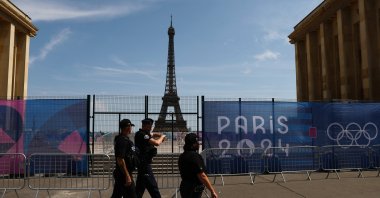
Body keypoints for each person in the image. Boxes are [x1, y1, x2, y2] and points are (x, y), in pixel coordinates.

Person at [178, 133, 218, 198]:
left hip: (184, 186)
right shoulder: (195, 156)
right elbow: (202, 175)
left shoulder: (182, 156)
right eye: (197, 142)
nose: (198, 144)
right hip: (193, 189)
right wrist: (212, 191)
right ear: (193, 144)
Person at [134, 118, 166, 198]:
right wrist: (162, 137)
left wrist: (158, 135)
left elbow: (152, 134)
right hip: (144, 165)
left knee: (139, 189)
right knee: (153, 188)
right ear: (147, 126)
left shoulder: (143, 134)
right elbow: (156, 143)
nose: (151, 127)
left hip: (143, 165)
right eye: (151, 126)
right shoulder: (142, 135)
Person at [111, 119, 138, 198]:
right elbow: (120, 159)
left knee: (117, 195)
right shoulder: (122, 140)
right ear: (127, 127)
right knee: (132, 195)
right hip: (123, 175)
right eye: (130, 126)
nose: (131, 128)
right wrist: (127, 175)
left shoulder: (122, 138)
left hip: (122, 173)